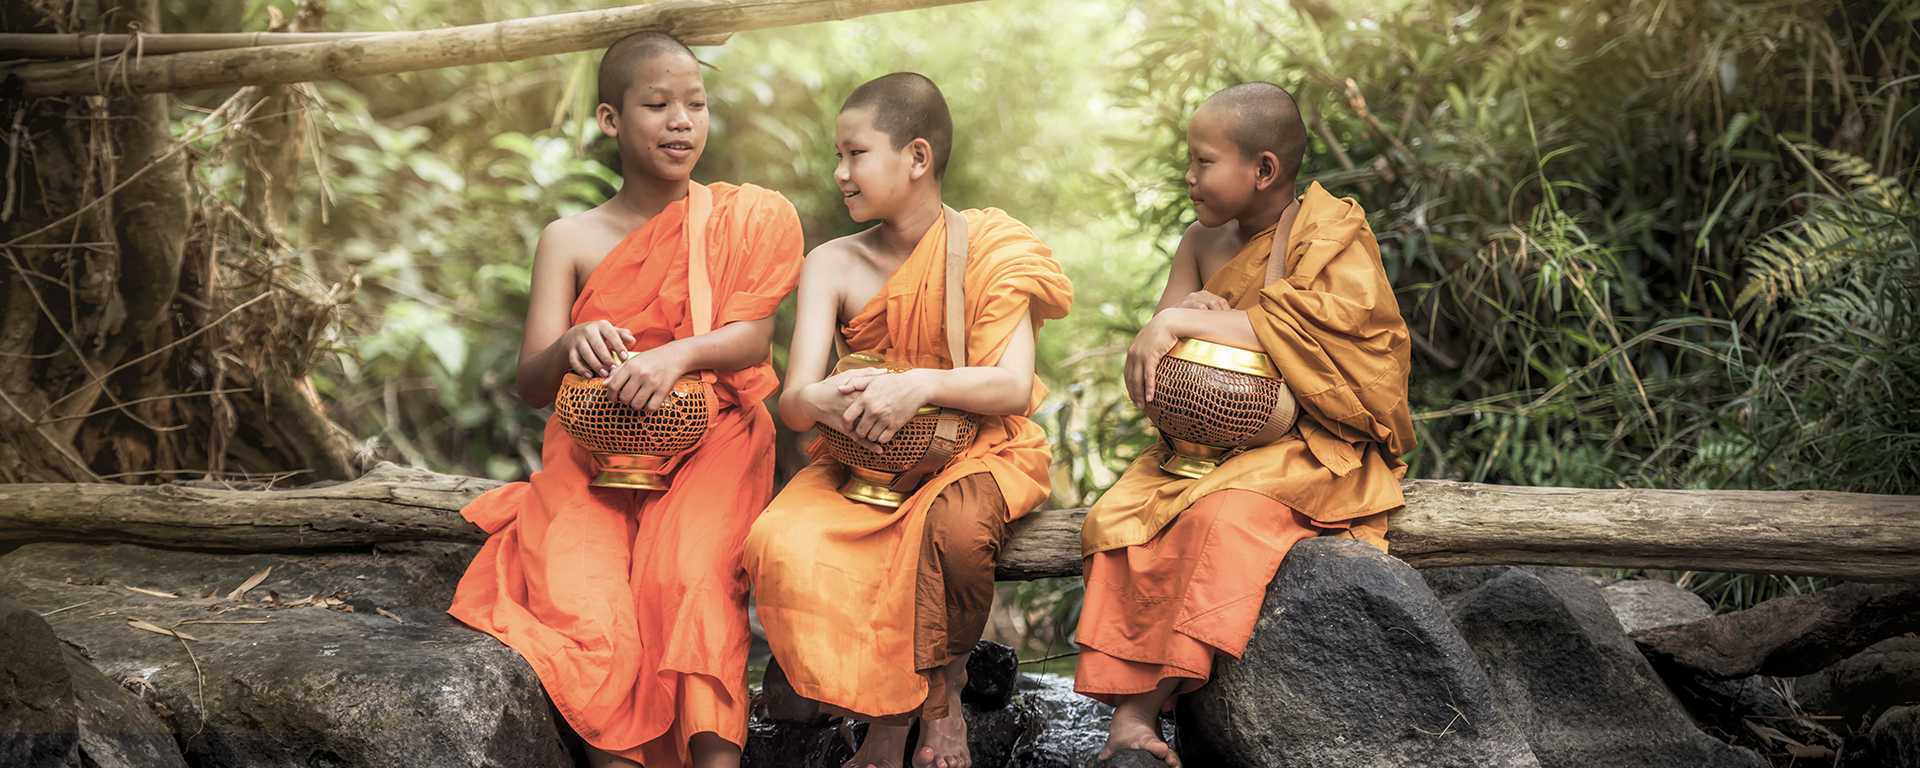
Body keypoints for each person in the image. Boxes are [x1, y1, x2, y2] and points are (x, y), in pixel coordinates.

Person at [446, 32, 804, 768]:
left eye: (696, 105)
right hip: (592, 454)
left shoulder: (735, 220)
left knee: (689, 583)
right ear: (610, 119)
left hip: (715, 441)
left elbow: (750, 340)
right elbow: (533, 381)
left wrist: (678, 354)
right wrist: (573, 341)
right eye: (658, 104)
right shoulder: (570, 238)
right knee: (586, 600)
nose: (682, 122)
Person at [1074, 82, 1416, 767]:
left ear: (1263, 169)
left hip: (1309, 445)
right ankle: (1131, 725)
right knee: (1117, 519)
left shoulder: (1331, 235)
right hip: (1198, 444)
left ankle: (1150, 709)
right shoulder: (1200, 243)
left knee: (1218, 519)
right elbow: (1146, 368)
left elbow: (1344, 345)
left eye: (1203, 161)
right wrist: (1183, 321)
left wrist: (1191, 322)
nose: (1189, 176)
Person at [743, 72, 1072, 768]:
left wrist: (919, 384)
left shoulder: (994, 250)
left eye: (855, 154)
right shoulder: (832, 261)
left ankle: (936, 709)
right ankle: (876, 715)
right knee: (777, 540)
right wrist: (827, 400)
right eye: (838, 155)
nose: (840, 173)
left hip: (976, 452)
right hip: (859, 463)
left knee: (949, 534)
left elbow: (1011, 387)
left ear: (917, 157)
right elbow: (794, 400)